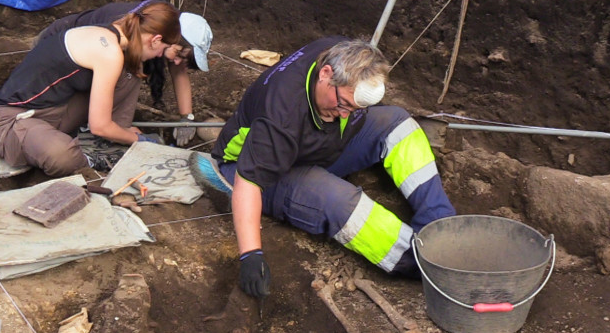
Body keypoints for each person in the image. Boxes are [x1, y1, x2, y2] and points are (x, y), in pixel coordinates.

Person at [190, 37, 456, 300]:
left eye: (356, 109)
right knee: (336, 200)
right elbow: (249, 183)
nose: (345, 114)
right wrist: (250, 255)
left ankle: (441, 225)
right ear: (326, 74)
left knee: (399, 124)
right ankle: (423, 263)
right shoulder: (282, 114)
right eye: (343, 105)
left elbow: (350, 109)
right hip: (253, 167)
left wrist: (348, 109)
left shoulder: (343, 57)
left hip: (317, 145)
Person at [0, 0, 182, 176]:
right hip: (13, 122)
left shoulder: (110, 34)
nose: (159, 56)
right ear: (155, 39)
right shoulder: (108, 52)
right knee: (61, 156)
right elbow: (99, 126)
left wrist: (123, 133)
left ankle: (115, 136)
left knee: (132, 70)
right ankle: (94, 158)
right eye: (163, 48)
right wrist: (139, 140)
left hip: (54, 112)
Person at [36, 0, 214, 147]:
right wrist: (129, 136)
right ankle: (106, 135)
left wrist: (187, 118)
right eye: (178, 55)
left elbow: (179, 72)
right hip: (54, 47)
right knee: (131, 72)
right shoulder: (129, 26)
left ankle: (110, 132)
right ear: (160, 39)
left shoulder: (168, 30)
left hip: (81, 56)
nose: (176, 62)